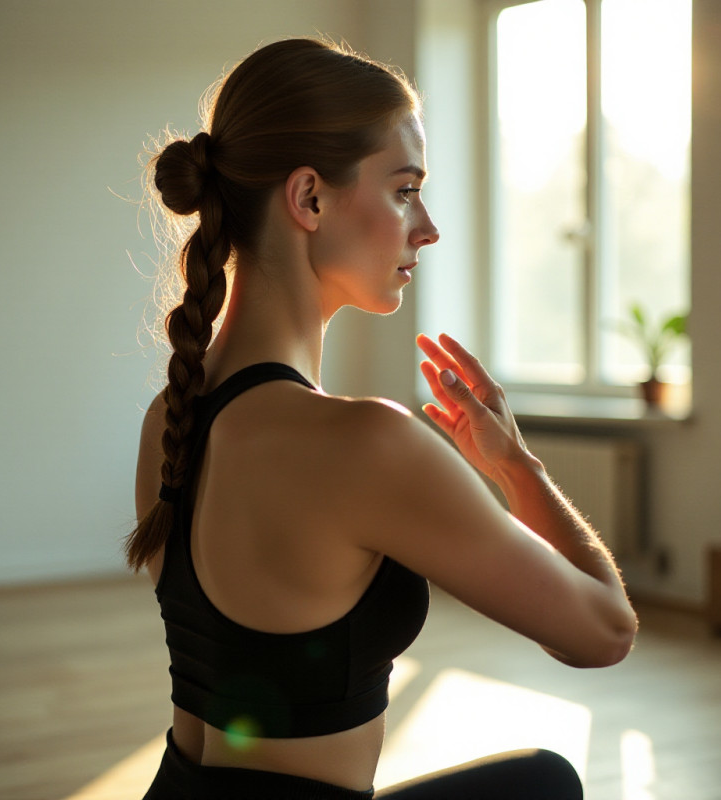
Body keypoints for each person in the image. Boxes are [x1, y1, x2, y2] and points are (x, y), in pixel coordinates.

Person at [128, 37, 637, 799]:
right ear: (309, 199)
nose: (426, 226)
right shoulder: (364, 443)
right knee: (547, 785)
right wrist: (513, 467)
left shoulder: (170, 415)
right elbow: (604, 630)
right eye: (404, 189)